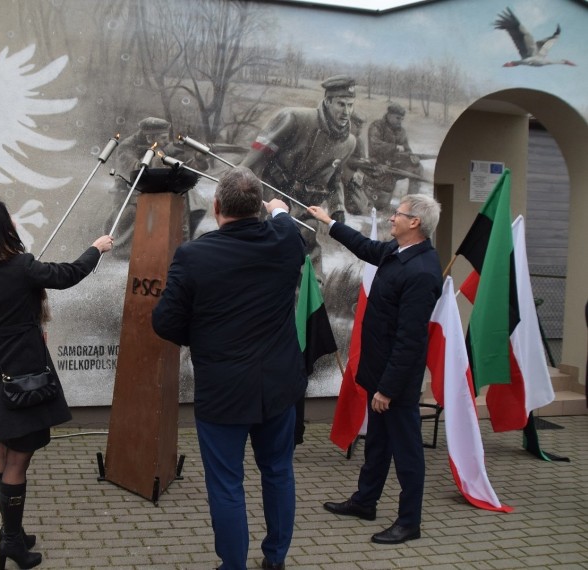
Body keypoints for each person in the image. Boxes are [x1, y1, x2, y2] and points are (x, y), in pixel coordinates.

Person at [152, 167, 307, 570]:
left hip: (223, 389)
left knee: (226, 485)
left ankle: (233, 565)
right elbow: (284, 221)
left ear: (216, 207)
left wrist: (203, 334)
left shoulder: (194, 255)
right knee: (278, 473)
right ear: (258, 208)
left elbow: (165, 323)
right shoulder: (287, 241)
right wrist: (279, 210)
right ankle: (276, 559)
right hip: (278, 386)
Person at [0, 200, 113, 569]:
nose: (14, 220)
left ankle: (7, 531)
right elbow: (67, 274)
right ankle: (12, 541)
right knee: (18, 459)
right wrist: (96, 249)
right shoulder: (20, 267)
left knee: (1, 453)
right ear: (2, 229)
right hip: (23, 376)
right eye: (9, 218)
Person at [307, 194, 442, 545]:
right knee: (377, 445)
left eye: (398, 214)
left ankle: (409, 521)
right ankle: (365, 501)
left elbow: (411, 340)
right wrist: (329, 222)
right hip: (378, 373)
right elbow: (365, 247)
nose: (391, 218)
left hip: (395, 383)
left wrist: (388, 389)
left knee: (407, 453)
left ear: (415, 223)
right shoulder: (398, 253)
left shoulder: (423, 271)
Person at [240, 75, 357, 272]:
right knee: (257, 253)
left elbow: (334, 178)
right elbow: (257, 156)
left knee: (308, 260)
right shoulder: (295, 118)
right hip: (272, 195)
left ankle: (307, 299)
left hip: (306, 206)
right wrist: (240, 190)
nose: (346, 112)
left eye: (350, 105)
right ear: (328, 102)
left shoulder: (349, 142)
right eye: (341, 104)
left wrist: (338, 208)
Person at [105, 116, 208, 258]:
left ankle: (179, 243)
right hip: (130, 194)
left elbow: (180, 171)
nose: (167, 142)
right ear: (149, 139)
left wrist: (198, 160)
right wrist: (158, 156)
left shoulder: (159, 147)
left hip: (154, 190)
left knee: (192, 198)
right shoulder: (127, 147)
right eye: (164, 138)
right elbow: (137, 172)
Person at [366, 103, 426, 211]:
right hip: (379, 166)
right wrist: (394, 147)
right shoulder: (376, 126)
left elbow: (406, 150)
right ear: (389, 115)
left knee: (417, 169)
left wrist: (413, 158)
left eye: (402, 119)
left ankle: (409, 206)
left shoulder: (401, 131)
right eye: (397, 118)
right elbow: (375, 145)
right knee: (381, 206)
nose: (400, 121)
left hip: (396, 166)